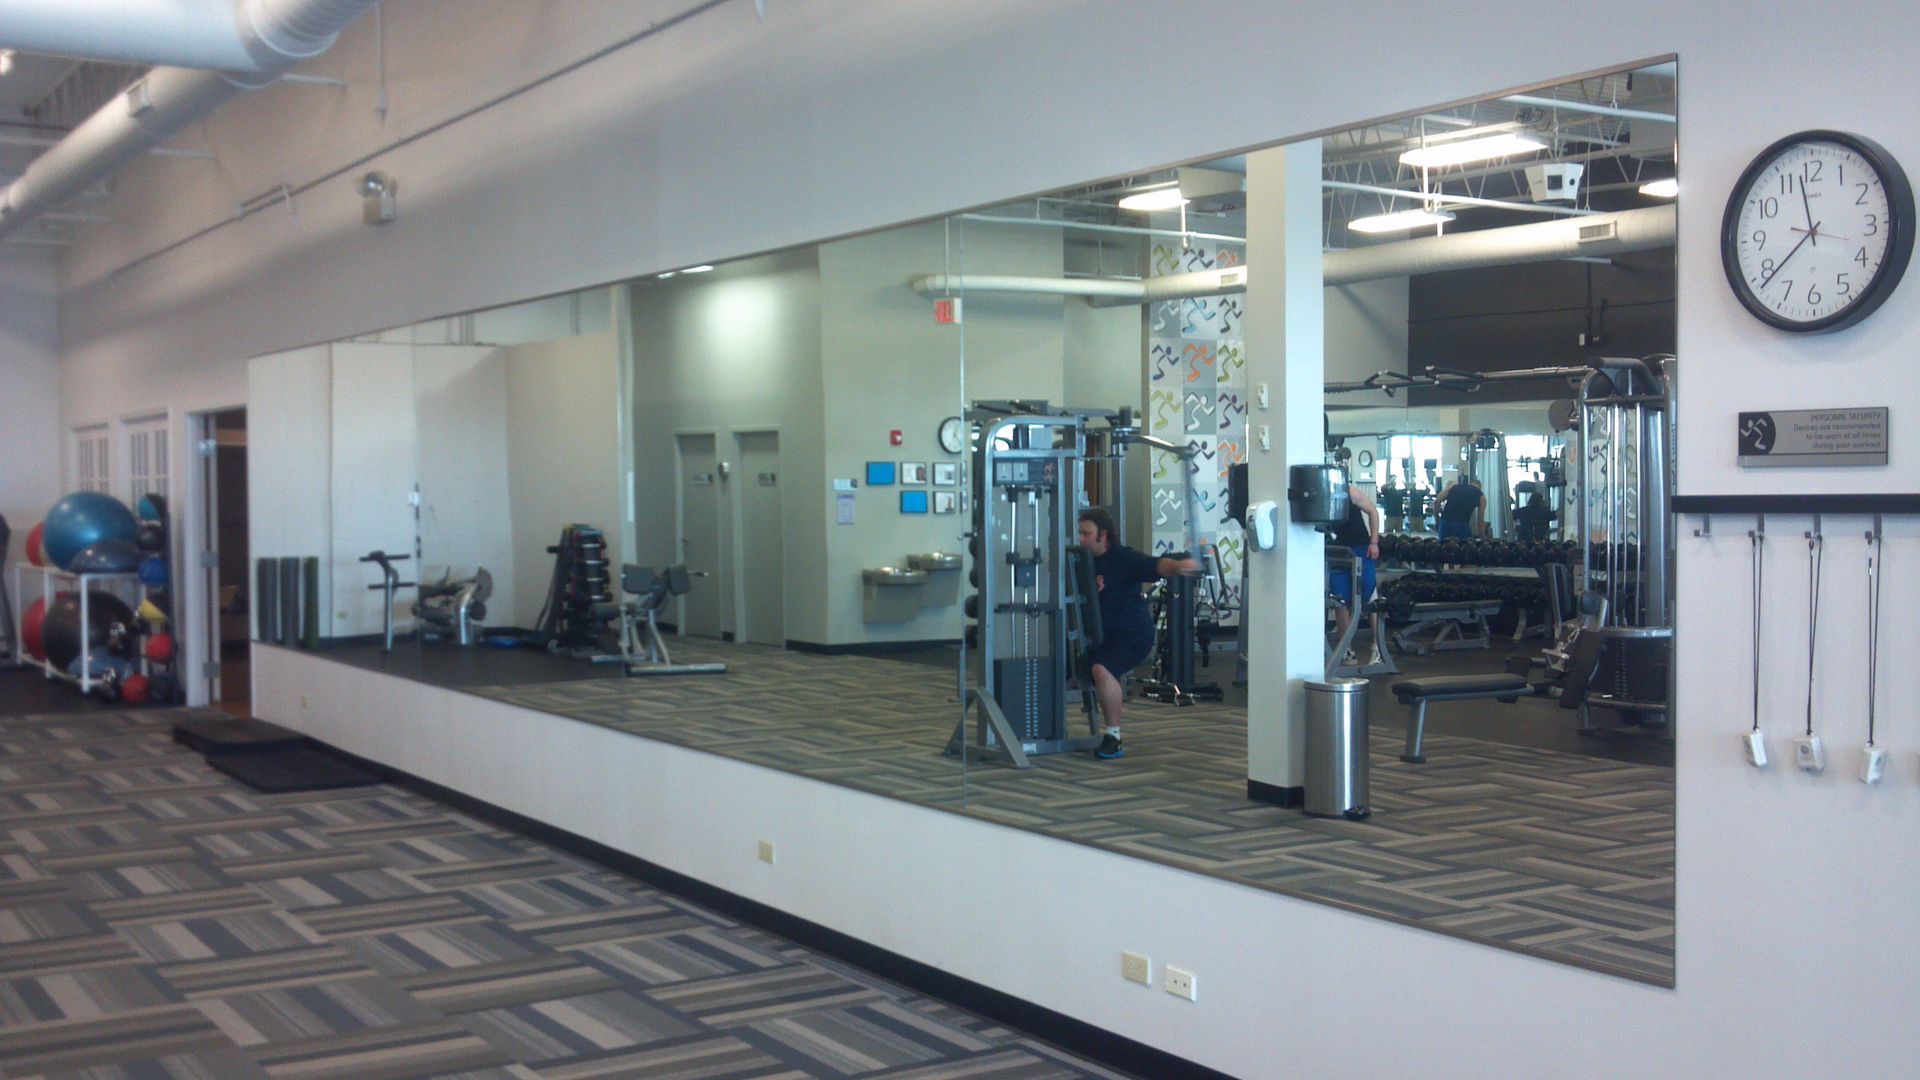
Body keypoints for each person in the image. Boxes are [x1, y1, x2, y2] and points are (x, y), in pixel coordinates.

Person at [1074, 508, 1200, 760]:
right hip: (1101, 636)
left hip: (1132, 635)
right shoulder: (1081, 561)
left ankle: (1114, 738)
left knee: (1102, 669)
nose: (1081, 539)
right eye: (1080, 533)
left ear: (1103, 536)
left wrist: (1178, 566)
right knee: (1060, 668)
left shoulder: (1123, 558)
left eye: (1087, 534)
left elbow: (1157, 565)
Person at [1326, 482, 1383, 664]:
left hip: (1361, 548)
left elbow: (1373, 511)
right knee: (1340, 600)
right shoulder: (1318, 496)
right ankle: (1347, 650)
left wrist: (1374, 542)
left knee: (1369, 597)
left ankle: (1377, 648)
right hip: (1336, 551)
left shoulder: (1349, 491)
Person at [1435, 474, 1484, 540]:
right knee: (1464, 545)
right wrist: (1482, 536)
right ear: (1479, 488)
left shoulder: (1455, 487)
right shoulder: (1481, 496)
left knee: (1444, 544)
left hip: (1446, 522)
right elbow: (1480, 517)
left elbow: (1437, 501)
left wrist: (1437, 520)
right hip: (1462, 525)